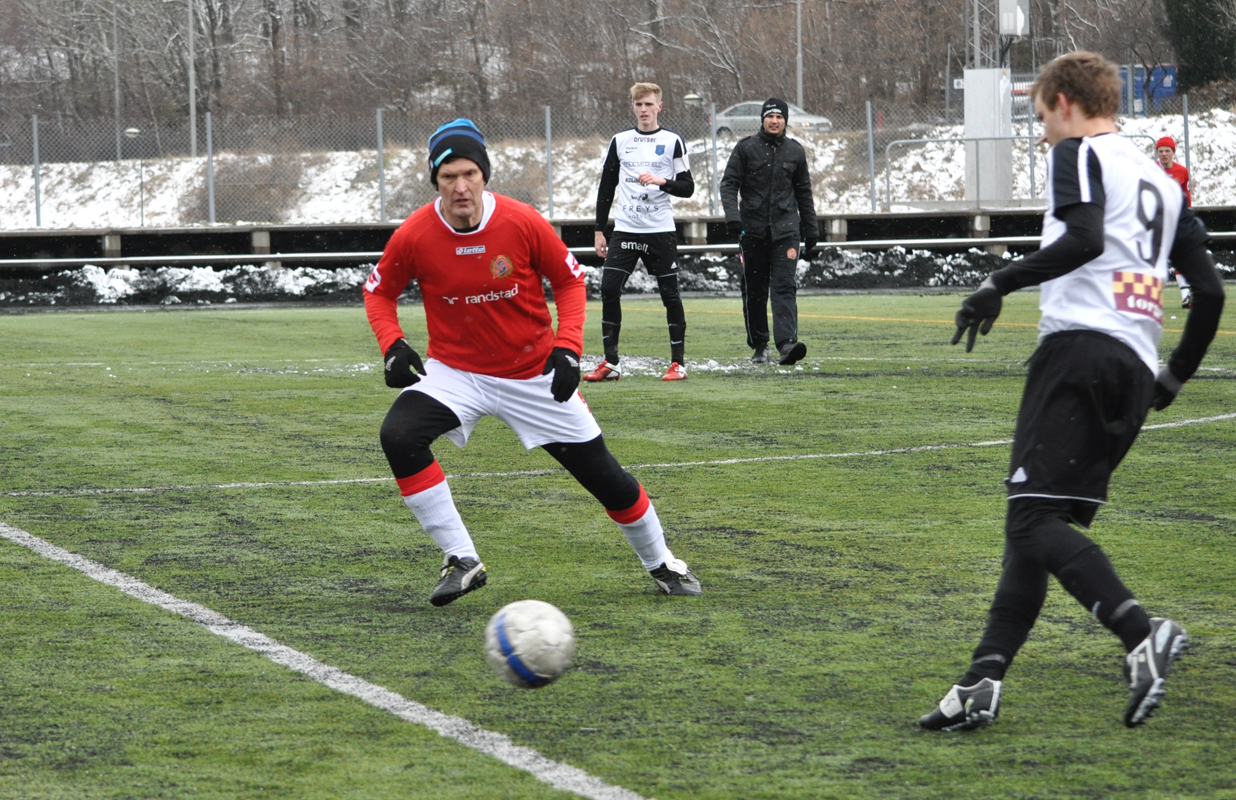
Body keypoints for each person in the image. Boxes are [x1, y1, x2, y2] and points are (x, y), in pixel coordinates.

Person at [922, 52, 1224, 732]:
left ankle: (1141, 634)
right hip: (1132, 368)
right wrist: (1172, 377)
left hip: (1078, 352)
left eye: (1040, 117)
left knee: (1032, 520)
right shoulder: (1162, 183)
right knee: (1032, 521)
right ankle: (983, 678)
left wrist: (998, 281)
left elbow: (1084, 240)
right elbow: (1208, 292)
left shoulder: (1079, 152)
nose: (1041, 133)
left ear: (1064, 102)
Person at [364, 118, 701, 606]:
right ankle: (461, 558)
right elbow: (378, 293)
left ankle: (662, 562)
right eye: (448, 177)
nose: (460, 187)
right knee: (398, 434)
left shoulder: (521, 221)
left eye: (469, 174)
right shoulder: (416, 233)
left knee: (606, 478)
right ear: (435, 181)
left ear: (484, 175)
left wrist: (568, 348)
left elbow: (569, 281)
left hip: (533, 373)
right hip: (457, 374)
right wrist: (393, 344)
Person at [584, 82, 695, 383]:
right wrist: (599, 230)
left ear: (659, 106)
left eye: (649, 104)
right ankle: (611, 363)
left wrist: (661, 181)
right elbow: (606, 188)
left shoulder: (672, 141)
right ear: (632, 107)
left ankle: (678, 364)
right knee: (609, 289)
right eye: (639, 104)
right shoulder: (620, 141)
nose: (644, 110)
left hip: (660, 231)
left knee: (670, 295)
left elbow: (687, 187)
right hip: (626, 230)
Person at [720, 97, 819, 365]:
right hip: (751, 232)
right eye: (770, 116)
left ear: (785, 120)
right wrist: (733, 218)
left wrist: (811, 229)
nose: (774, 121)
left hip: (786, 232)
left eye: (779, 117)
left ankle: (787, 344)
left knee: (785, 286)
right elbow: (728, 184)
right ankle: (760, 345)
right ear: (763, 119)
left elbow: (804, 192)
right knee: (754, 290)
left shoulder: (795, 151)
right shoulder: (745, 148)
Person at [1156, 136, 1194, 308]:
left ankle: (1186, 297)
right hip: (1157, 220)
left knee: (1182, 254)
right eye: (1161, 151)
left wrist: (1188, 212)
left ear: (1173, 152)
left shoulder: (1182, 171)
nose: (1164, 154)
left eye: (1167, 151)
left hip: (1176, 219)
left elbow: (1186, 194)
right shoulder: (1151, 170)